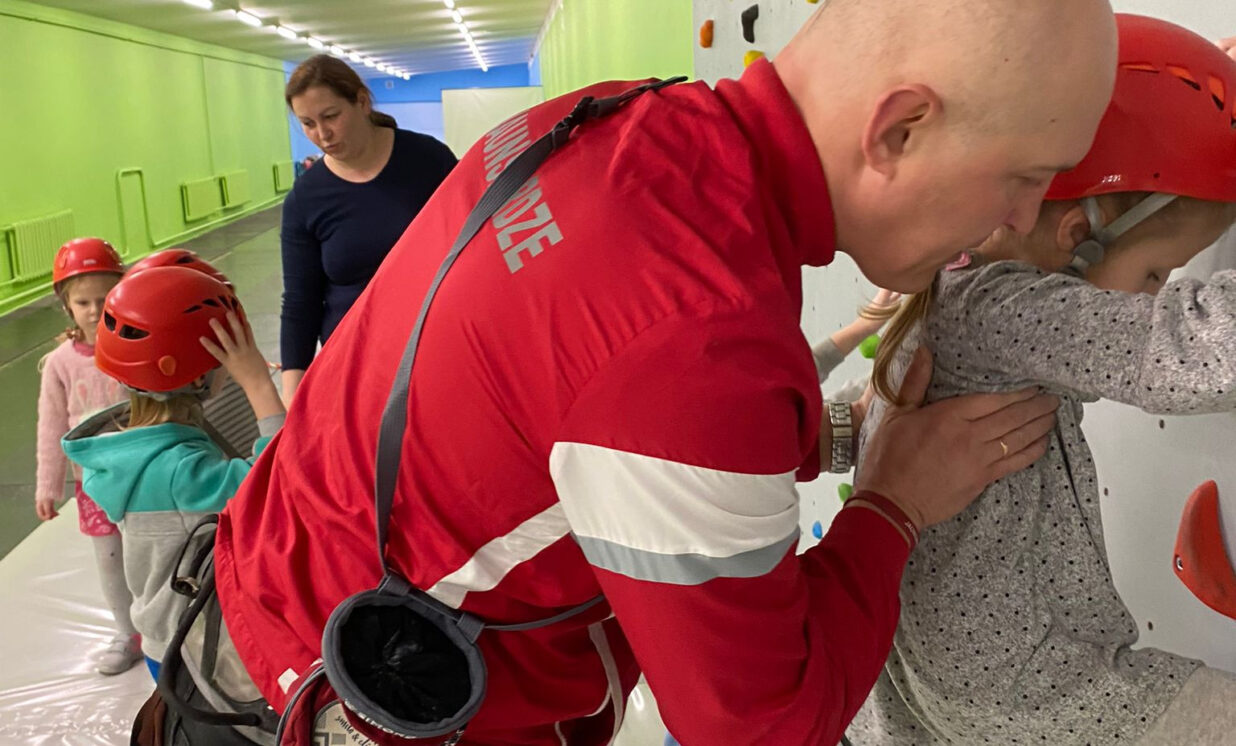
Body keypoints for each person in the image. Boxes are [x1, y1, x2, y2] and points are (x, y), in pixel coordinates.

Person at [214, 1, 1117, 742]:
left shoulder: (613, 118)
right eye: (1025, 175)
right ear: (900, 130)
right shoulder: (694, 334)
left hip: (268, 579)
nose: (1022, 218)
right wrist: (893, 505)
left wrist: (846, 433)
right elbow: (760, 726)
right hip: (347, 695)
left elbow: (574, 408)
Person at [849, 15, 1236, 744]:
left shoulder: (952, 284)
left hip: (921, 678)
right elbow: (1188, 351)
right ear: (1077, 239)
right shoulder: (1004, 308)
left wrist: (1207, 123)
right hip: (1024, 682)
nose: (1155, 295)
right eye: (1156, 273)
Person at [62, 265, 285, 681]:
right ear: (198, 375)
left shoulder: (125, 452)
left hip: (163, 645)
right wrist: (257, 383)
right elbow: (281, 482)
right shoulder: (180, 471)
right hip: (202, 657)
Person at [279, 54, 458, 402]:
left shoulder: (429, 160)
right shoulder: (305, 198)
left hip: (437, 350)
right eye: (308, 123)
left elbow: (474, 248)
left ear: (361, 102)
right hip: (356, 367)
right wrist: (292, 391)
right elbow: (301, 302)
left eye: (331, 116)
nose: (322, 135)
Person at [34, 237, 140, 675]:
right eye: (83, 302)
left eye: (104, 298)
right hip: (94, 485)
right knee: (110, 561)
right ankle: (127, 633)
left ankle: (167, 626)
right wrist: (48, 485)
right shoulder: (59, 363)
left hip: (144, 478)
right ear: (67, 307)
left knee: (151, 553)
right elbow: (51, 426)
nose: (95, 311)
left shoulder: (137, 344)